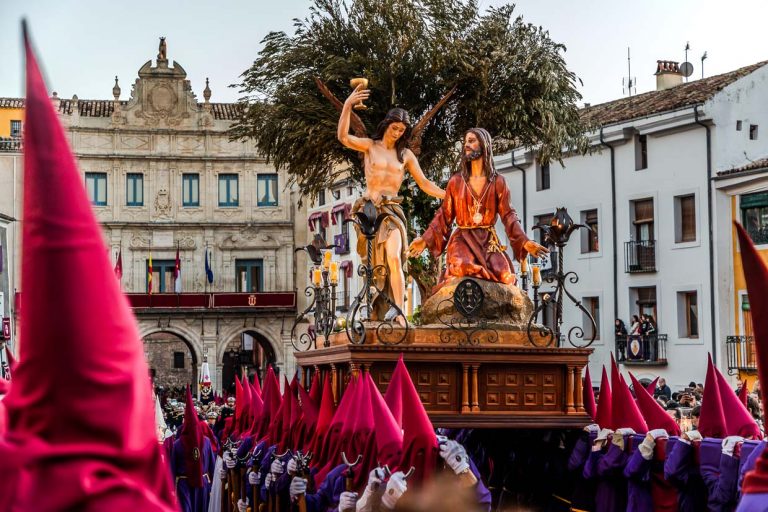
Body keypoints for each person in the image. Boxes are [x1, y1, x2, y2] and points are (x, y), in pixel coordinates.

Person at [338, 86, 445, 322]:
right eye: (395, 128)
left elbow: (425, 183)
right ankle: (374, 308)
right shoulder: (370, 146)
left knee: (395, 257)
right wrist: (347, 105)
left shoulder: (405, 155)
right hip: (369, 213)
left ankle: (399, 311)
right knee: (376, 266)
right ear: (387, 125)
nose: (397, 133)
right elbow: (343, 138)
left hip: (392, 211)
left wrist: (449, 195)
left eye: (402, 130)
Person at [407, 128, 547, 291]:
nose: (466, 145)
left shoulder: (498, 182)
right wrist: (425, 240)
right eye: (466, 141)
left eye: (472, 141)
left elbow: (508, 215)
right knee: (463, 267)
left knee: (504, 274)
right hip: (462, 239)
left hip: (488, 240)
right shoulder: (456, 181)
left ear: (484, 145)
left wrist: (525, 241)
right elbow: (444, 215)